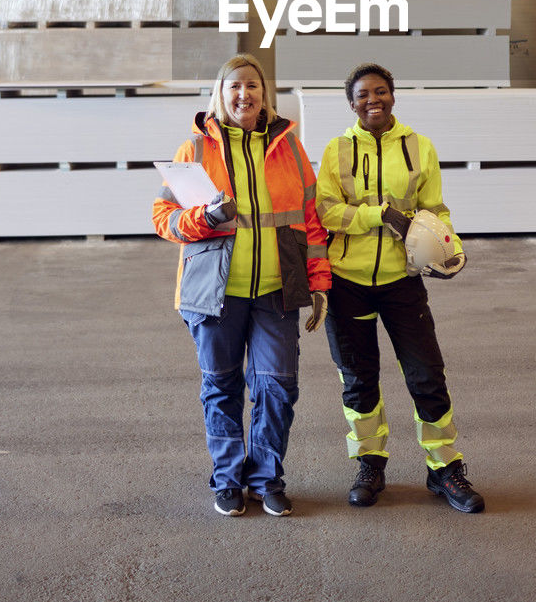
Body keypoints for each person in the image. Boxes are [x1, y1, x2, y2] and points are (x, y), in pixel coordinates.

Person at [153, 53, 331, 518]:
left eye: (252, 85)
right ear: (220, 93)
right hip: (214, 293)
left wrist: (318, 283)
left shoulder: (289, 149)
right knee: (222, 386)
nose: (243, 94)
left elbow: (310, 222)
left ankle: (266, 477)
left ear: (264, 94)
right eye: (234, 86)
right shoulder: (194, 151)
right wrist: (202, 218)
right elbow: (163, 219)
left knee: (277, 388)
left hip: (277, 290)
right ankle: (229, 478)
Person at [316, 62, 484, 513]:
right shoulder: (336, 151)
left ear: (393, 95)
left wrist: (448, 245)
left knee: (427, 376)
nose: (374, 100)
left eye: (381, 91)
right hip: (346, 281)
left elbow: (435, 209)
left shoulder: (419, 147)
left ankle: (445, 469)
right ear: (351, 103)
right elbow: (327, 212)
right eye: (364, 94)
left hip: (402, 282)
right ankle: (370, 464)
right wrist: (379, 214)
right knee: (358, 380)